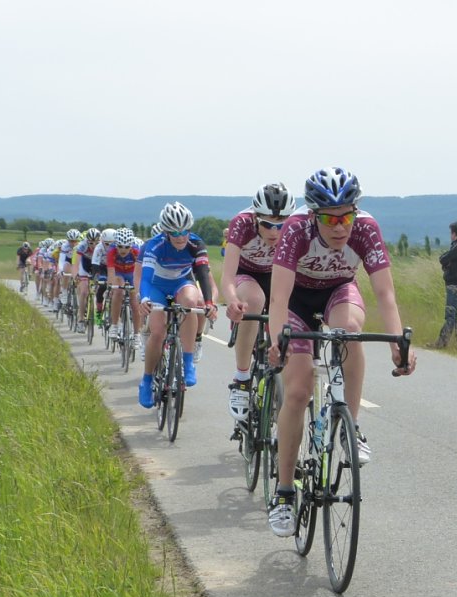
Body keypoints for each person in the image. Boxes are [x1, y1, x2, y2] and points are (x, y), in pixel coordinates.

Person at [266, 166, 417, 537]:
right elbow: (279, 296)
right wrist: (277, 342)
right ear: (314, 215)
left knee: (349, 331)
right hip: (297, 302)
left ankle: (352, 426)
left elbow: (385, 293)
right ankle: (285, 492)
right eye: (331, 218)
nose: (340, 226)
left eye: (346, 216)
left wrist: (399, 343)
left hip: (338, 291)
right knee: (298, 390)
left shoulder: (366, 228)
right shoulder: (296, 229)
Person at [222, 183, 295, 425]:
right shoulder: (241, 223)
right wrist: (232, 300)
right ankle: (242, 379)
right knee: (254, 300)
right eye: (267, 224)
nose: (275, 232)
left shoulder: (295, 228)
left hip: (276, 275)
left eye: (280, 225)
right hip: (247, 274)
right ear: (255, 218)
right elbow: (228, 275)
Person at [137, 203, 217, 408]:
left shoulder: (196, 244)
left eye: (185, 231)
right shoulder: (154, 245)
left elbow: (203, 274)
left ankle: (188, 363)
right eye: (175, 233)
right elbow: (145, 278)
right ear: (166, 232)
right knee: (157, 332)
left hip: (181, 283)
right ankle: (146, 381)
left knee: (191, 303)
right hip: (157, 287)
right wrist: (144, 298)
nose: (181, 237)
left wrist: (208, 302)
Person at [432, 221, 457, 348]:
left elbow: (443, 259)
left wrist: (447, 262)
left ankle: (441, 343)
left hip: (454, 284)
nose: (450, 235)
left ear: (454, 234)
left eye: (451, 233)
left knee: (450, 313)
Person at [107, 228, 143, 350]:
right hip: (119, 273)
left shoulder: (137, 251)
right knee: (118, 292)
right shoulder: (111, 251)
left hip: (133, 273)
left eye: (127, 247)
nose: (123, 250)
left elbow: (140, 272)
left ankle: (137, 335)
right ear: (115, 244)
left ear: (131, 245)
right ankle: (114, 325)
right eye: (120, 246)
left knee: (135, 302)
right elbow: (111, 271)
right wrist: (112, 285)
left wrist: (137, 289)